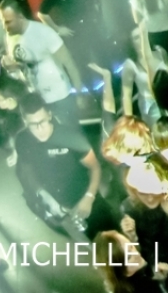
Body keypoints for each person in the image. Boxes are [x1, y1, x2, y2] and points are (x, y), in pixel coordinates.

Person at [11, 92, 111, 237]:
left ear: (49, 115)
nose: (40, 129)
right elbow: (27, 169)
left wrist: (89, 197)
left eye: (42, 121)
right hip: (58, 205)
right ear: (25, 121)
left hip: (85, 197)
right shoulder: (22, 140)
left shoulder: (70, 137)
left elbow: (95, 167)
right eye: (33, 125)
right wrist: (43, 194)